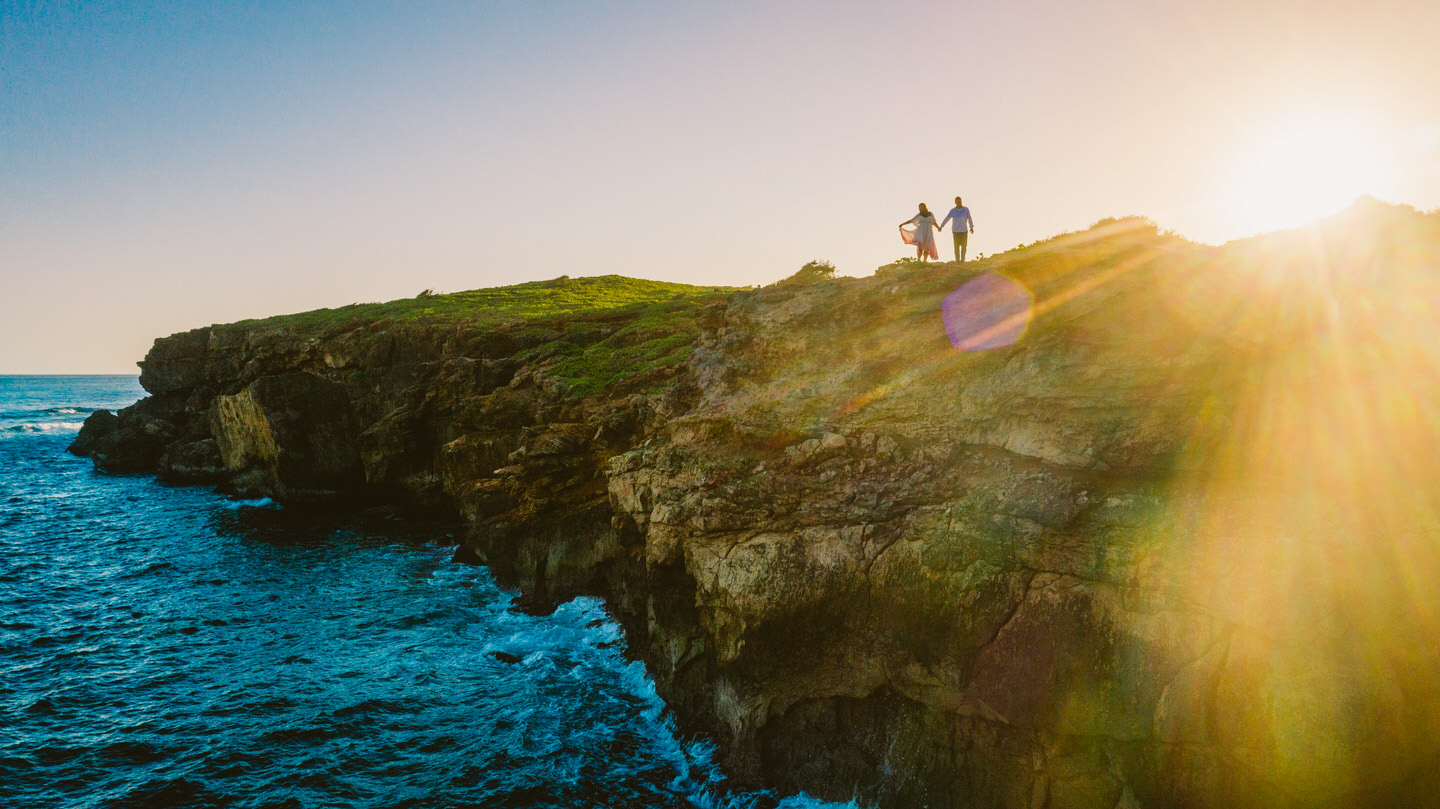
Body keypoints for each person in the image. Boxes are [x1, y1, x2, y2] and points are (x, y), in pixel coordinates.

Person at [939, 196, 976, 262]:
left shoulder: (966, 209)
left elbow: (969, 218)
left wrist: (971, 227)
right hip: (956, 231)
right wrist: (941, 226)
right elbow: (947, 218)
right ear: (955, 202)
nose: (958, 203)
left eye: (960, 201)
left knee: (964, 246)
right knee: (956, 247)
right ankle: (957, 260)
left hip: (964, 230)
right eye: (957, 202)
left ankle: (962, 259)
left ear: (961, 201)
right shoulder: (953, 211)